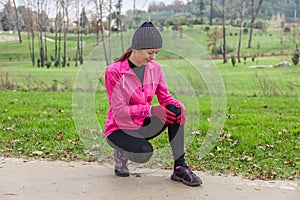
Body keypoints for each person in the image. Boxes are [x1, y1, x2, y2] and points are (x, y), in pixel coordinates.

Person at [104, 21, 202, 187]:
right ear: (136, 48)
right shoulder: (114, 72)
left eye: (156, 52)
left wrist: (179, 105)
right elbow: (119, 111)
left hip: (141, 123)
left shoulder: (155, 69)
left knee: (174, 110)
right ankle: (121, 153)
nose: (153, 57)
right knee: (144, 154)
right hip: (119, 129)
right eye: (150, 52)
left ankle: (180, 167)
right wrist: (150, 110)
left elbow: (165, 97)